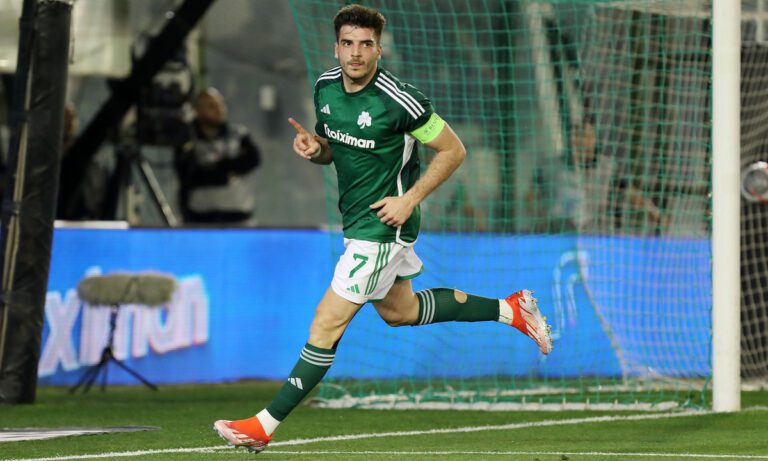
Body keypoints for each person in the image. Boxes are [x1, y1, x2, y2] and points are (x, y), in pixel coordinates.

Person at [213, 4, 553, 453]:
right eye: (348, 43)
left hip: (383, 227)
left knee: (326, 323)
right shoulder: (324, 87)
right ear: (336, 47)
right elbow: (335, 148)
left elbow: (453, 150)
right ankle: (511, 310)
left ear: (379, 49)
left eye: (365, 44)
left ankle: (263, 425)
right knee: (400, 312)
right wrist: (316, 149)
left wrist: (409, 199)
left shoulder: (400, 100)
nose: (356, 53)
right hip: (357, 224)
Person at [174, 88, 261, 225]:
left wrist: (218, 168)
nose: (218, 109)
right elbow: (190, 175)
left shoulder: (239, 135)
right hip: (200, 220)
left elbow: (252, 160)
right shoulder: (188, 139)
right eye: (211, 106)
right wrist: (225, 172)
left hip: (239, 218)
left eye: (220, 104)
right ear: (198, 111)